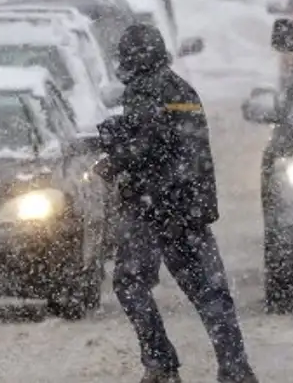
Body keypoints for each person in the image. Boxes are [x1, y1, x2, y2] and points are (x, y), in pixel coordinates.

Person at [94, 24, 258, 383]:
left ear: (129, 59)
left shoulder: (144, 89)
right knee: (211, 293)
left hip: (152, 210)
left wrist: (111, 145)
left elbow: (146, 145)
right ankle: (235, 367)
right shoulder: (181, 88)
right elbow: (173, 140)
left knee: (130, 283)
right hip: (189, 209)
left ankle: (160, 363)